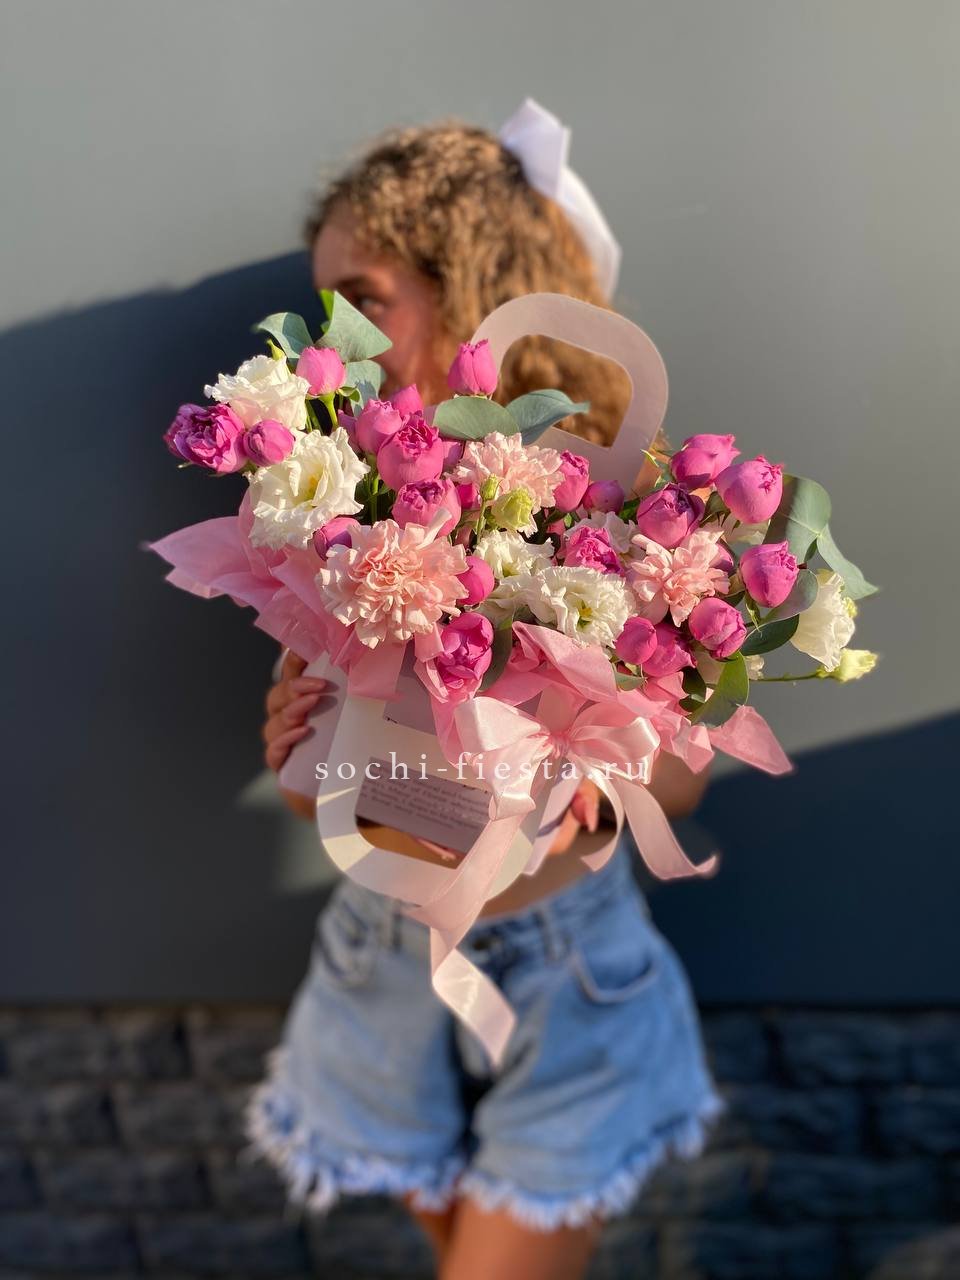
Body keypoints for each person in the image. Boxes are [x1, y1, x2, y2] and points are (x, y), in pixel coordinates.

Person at [249, 109, 721, 1280]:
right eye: (327, 307)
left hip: (568, 970)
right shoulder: (345, 511)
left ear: (475, 285)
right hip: (382, 958)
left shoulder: (624, 513)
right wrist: (295, 737)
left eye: (363, 298)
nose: (336, 338)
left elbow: (684, 779)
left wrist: (604, 772)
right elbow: (323, 790)